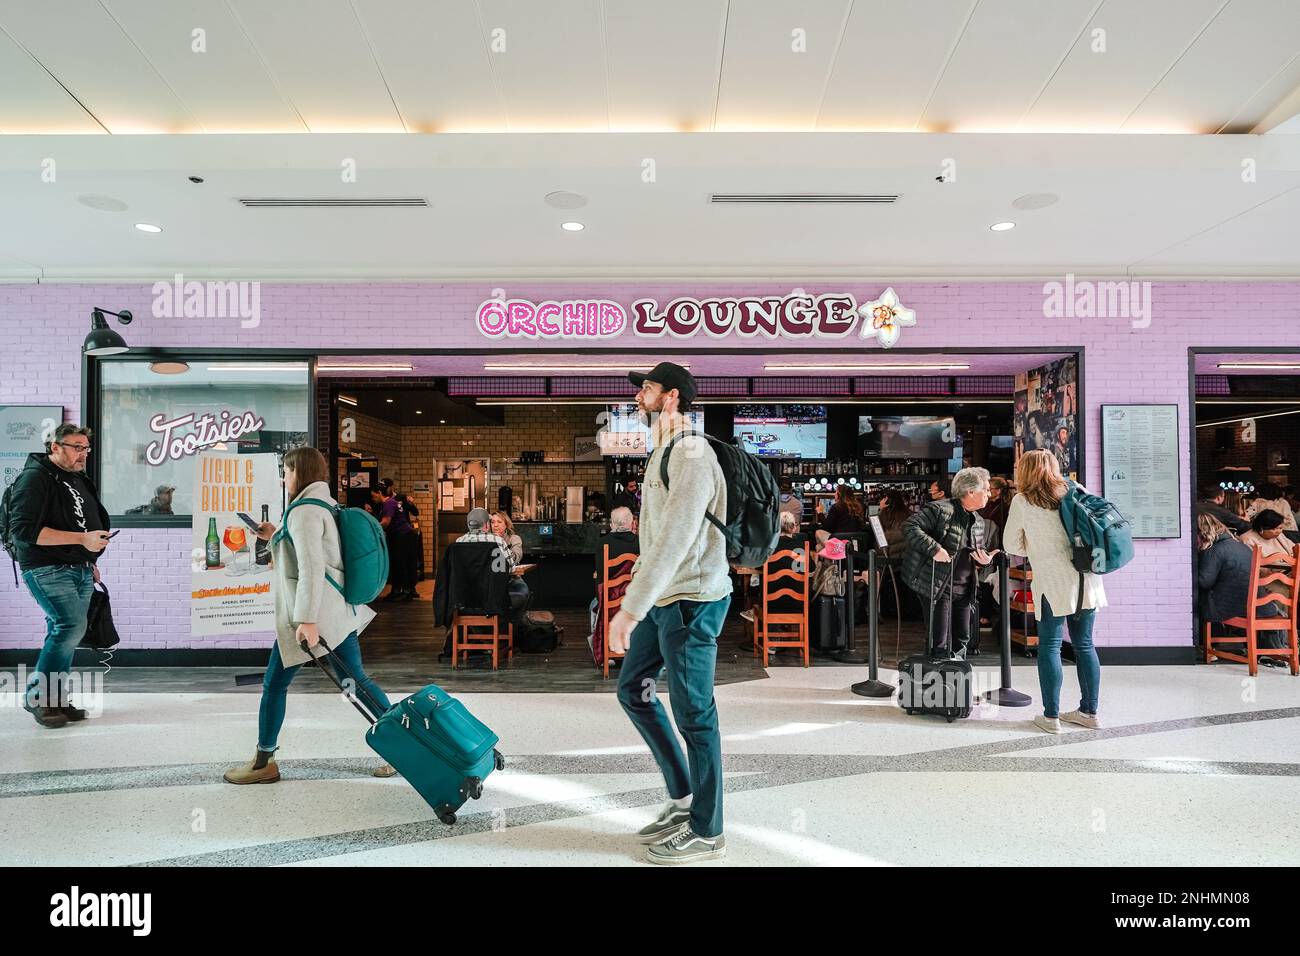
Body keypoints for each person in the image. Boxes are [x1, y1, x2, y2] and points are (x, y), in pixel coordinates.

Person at [608, 361, 730, 865]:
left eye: (648, 389)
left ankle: (708, 829)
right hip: (665, 599)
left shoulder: (693, 453)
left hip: (692, 602)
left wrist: (628, 609)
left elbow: (677, 541)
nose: (640, 396)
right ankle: (683, 799)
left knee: (695, 715)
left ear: (673, 397)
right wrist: (641, 599)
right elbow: (657, 537)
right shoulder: (664, 448)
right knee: (632, 690)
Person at [224, 446, 394, 783]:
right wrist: (275, 537)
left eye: (286, 470)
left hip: (313, 615)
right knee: (355, 682)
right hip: (336, 611)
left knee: (276, 684)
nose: (283, 477)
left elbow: (312, 568)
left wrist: (307, 620)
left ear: (298, 471)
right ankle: (406, 747)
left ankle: (263, 762)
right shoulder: (325, 504)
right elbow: (315, 555)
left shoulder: (302, 512)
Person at [7, 424, 111, 728]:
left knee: (65, 631)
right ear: (55, 447)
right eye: (77, 447)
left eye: (86, 448)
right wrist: (82, 541)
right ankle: (38, 697)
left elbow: (82, 523)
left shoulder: (76, 478)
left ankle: (55, 698)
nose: (84, 454)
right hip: (45, 568)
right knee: (69, 626)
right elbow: (24, 531)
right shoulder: (35, 479)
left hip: (77, 568)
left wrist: (88, 557)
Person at [1003, 450, 1108, 733]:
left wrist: (1037, 549)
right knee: (1084, 645)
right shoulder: (1075, 489)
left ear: (1025, 471)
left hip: (1052, 581)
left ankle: (1051, 717)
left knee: (1049, 645)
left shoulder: (1023, 501)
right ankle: (1089, 712)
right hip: (1087, 578)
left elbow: (1012, 544)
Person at [901, 467, 997, 660]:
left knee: (963, 637)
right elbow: (910, 527)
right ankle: (937, 682)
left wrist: (984, 560)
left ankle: (956, 681)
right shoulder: (939, 509)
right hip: (936, 584)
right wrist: (934, 549)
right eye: (985, 490)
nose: (989, 494)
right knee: (940, 639)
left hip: (965, 587)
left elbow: (975, 551)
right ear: (970, 491)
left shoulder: (978, 520)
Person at [1198, 512, 1287, 665]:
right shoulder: (1242, 547)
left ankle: (1203, 647)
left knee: (1195, 600)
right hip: (1259, 606)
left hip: (1234, 608)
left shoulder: (1214, 549)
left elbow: (1204, 582)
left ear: (1202, 533)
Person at [590, 506, 640, 647]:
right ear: (631, 523)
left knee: (593, 606)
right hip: (635, 599)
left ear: (612, 524)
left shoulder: (603, 543)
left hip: (610, 599)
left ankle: (605, 648)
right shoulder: (640, 543)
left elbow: (600, 575)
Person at [375, 484, 418, 601]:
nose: (373, 498)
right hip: (404, 535)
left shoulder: (388, 503)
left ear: (379, 492)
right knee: (400, 563)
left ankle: (404, 591)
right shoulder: (393, 502)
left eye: (373, 495)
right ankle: (398, 590)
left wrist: (373, 529)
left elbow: (386, 522)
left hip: (401, 536)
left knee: (400, 563)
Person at [490, 510, 530, 624]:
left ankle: (514, 625)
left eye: (499, 522)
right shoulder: (487, 538)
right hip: (492, 581)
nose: (496, 525)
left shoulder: (514, 539)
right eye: (493, 522)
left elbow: (516, 557)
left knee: (524, 592)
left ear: (506, 524)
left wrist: (500, 542)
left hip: (512, 579)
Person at [874, 492, 911, 561]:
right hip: (906, 555)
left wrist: (881, 509)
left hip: (887, 555)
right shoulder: (909, 513)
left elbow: (876, 528)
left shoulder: (884, 514)